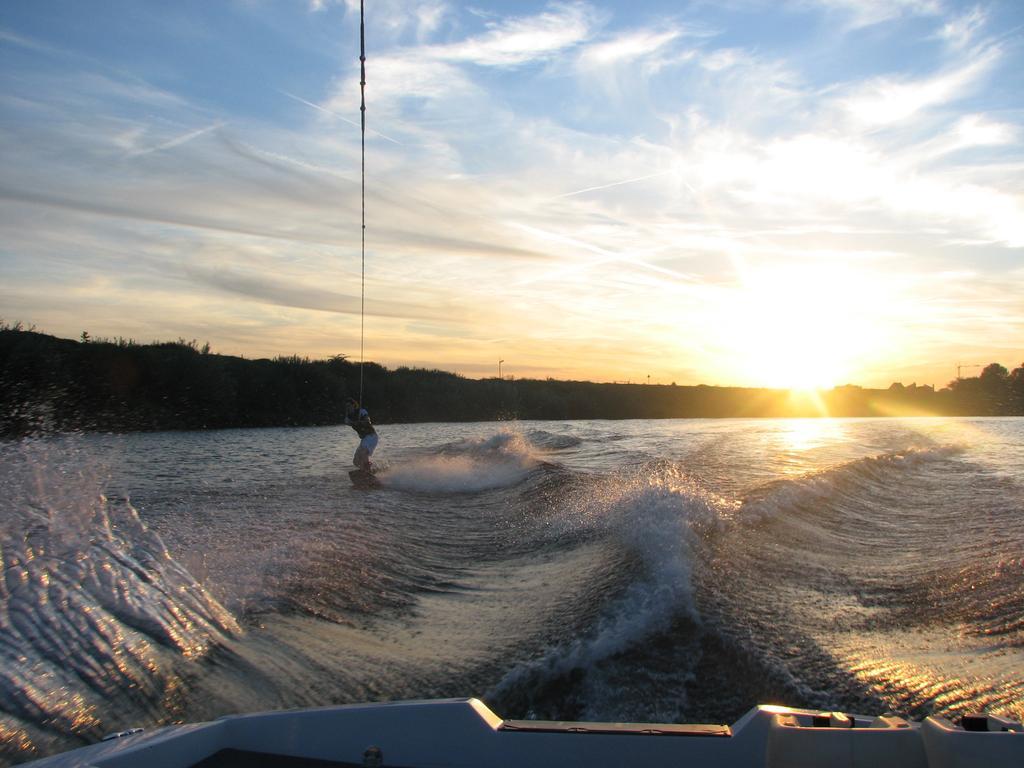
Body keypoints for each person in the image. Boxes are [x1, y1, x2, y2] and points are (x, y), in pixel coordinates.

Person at [344, 397, 378, 472]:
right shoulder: (348, 418)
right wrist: (353, 422)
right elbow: (348, 422)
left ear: (354, 405)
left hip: (371, 436)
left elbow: (368, 421)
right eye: (346, 406)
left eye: (349, 406)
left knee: (363, 453)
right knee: (356, 461)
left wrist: (359, 422)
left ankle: (367, 471)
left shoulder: (362, 411)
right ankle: (370, 470)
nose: (348, 408)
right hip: (364, 439)